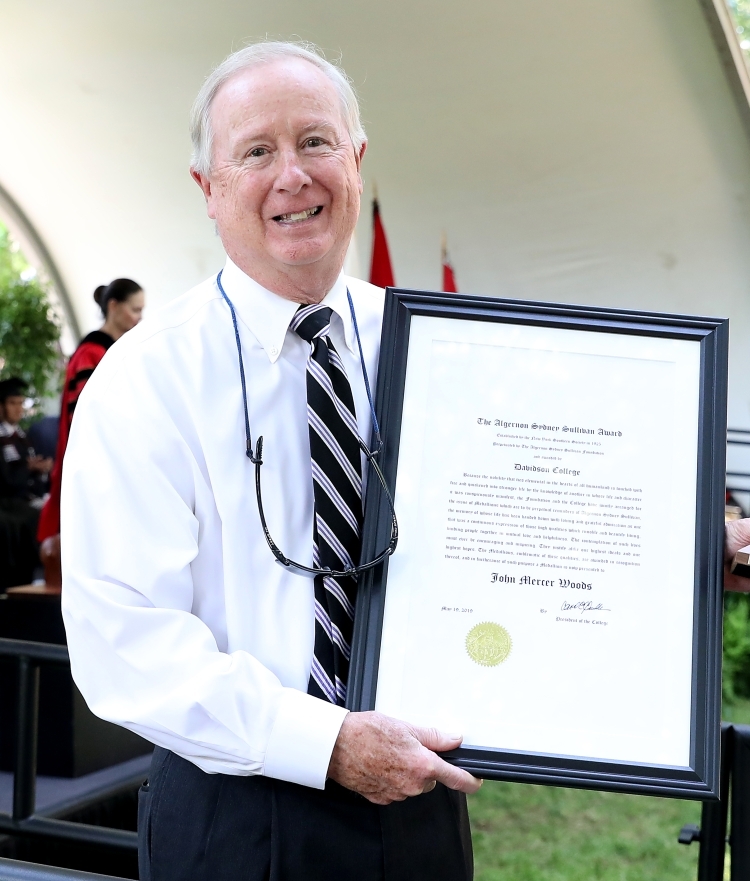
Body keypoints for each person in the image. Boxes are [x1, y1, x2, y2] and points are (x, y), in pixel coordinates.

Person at [61, 42, 480, 881]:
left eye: (317, 142)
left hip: (421, 807)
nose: (293, 175)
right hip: (242, 811)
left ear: (356, 162)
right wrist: (326, 743)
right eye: (256, 151)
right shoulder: (145, 379)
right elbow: (126, 642)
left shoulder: (435, 348)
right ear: (207, 189)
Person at [37, 278, 144, 584]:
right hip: (92, 461)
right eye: (135, 309)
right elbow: (86, 422)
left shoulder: (119, 350)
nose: (139, 318)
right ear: (114, 307)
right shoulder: (90, 353)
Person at [0, 377, 53, 589]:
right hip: (7, 502)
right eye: (13, 403)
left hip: (27, 499)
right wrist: (28, 468)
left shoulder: (22, 437)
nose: (18, 408)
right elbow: (6, 480)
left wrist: (41, 471)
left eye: (21, 403)